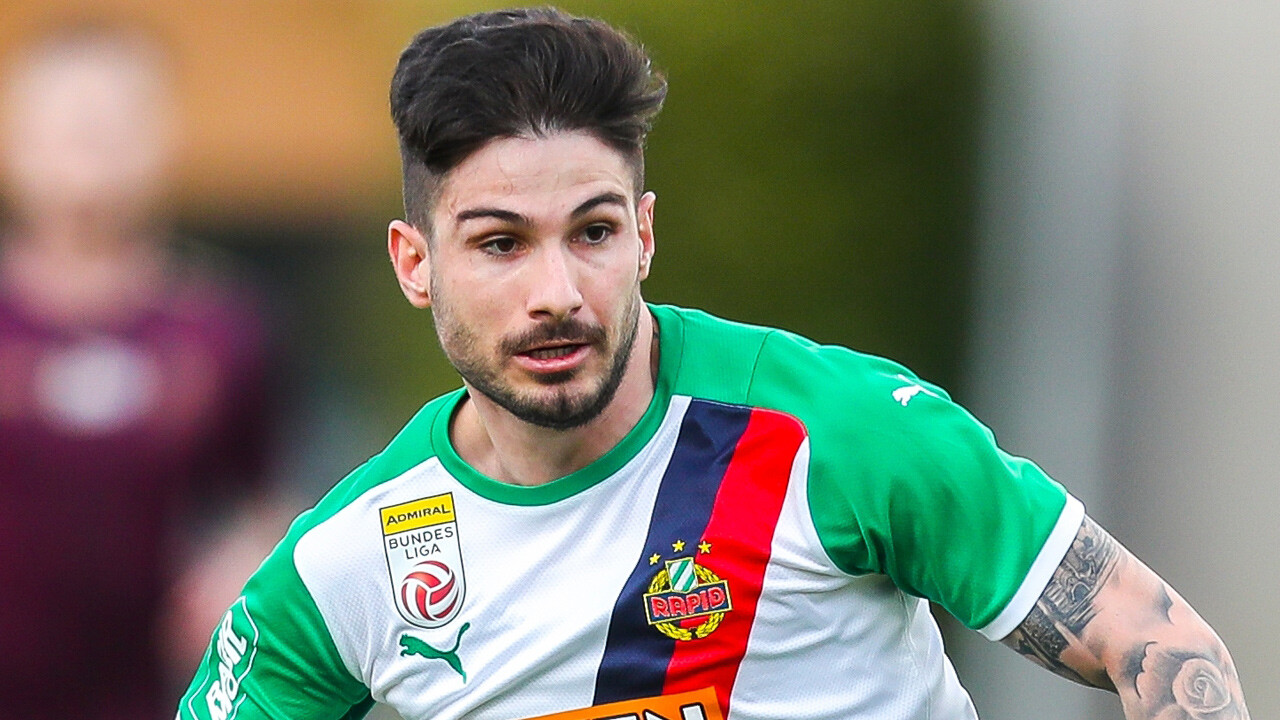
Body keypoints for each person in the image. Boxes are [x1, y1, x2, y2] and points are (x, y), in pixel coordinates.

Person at [176, 7, 1250, 720]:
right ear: (416, 264)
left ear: (644, 234)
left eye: (593, 232)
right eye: (500, 244)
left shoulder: (838, 432)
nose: (558, 290)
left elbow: (1162, 650)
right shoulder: (348, 564)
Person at [0, 23, 274, 719]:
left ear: (165, 139)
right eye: (66, 118)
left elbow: (265, 501)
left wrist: (250, 562)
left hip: (159, 695)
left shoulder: (220, 331)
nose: (90, 136)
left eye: (117, 117)